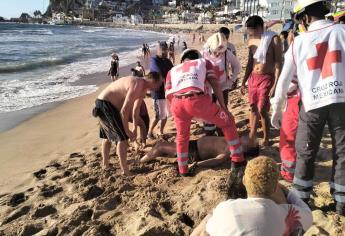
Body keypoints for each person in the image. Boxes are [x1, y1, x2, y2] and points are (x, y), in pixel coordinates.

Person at [270, 0, 345, 216]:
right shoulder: (342, 31)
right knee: (342, 151)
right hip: (342, 101)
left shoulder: (300, 42)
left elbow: (284, 81)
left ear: (304, 17)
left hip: (312, 104)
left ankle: (302, 199)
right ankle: (341, 204)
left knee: (305, 151)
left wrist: (277, 108)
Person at [166, 49, 245, 177]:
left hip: (176, 104)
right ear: (197, 56)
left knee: (182, 137)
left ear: (182, 60)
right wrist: (223, 107)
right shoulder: (203, 62)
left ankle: (183, 170)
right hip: (197, 100)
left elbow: (168, 95)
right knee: (228, 122)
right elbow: (216, 84)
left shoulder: (172, 71)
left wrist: (180, 112)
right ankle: (238, 160)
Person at [191, 156, 313, 236]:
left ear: (244, 181)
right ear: (275, 188)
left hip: (223, 218)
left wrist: (211, 215)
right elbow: (307, 212)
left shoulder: (226, 208)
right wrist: (285, 189)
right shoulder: (286, 212)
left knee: (207, 223)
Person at [92, 72, 162, 175]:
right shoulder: (138, 84)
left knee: (107, 137)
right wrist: (127, 131)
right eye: (159, 84)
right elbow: (124, 111)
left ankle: (106, 165)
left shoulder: (142, 88)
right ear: (153, 81)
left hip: (104, 103)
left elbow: (135, 111)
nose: (160, 86)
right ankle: (125, 171)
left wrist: (133, 128)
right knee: (123, 139)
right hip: (106, 104)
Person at [240, 15, 283, 147]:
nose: (250, 34)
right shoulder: (251, 40)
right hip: (253, 77)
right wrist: (243, 81)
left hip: (267, 77)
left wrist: (275, 85)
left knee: (262, 109)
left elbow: (278, 63)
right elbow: (249, 62)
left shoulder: (274, 39)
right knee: (253, 108)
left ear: (259, 27)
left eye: (252, 31)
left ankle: (266, 138)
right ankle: (252, 135)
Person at [202, 33, 241, 136]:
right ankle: (209, 133)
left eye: (220, 50)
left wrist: (232, 80)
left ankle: (222, 131)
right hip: (207, 89)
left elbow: (237, 66)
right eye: (216, 51)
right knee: (208, 112)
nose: (218, 53)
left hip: (223, 87)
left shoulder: (227, 53)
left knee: (222, 110)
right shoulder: (203, 54)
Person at [148, 41, 174, 139]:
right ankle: (149, 132)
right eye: (162, 49)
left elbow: (174, 72)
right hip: (158, 92)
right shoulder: (154, 60)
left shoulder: (167, 61)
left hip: (167, 92)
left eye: (166, 49)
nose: (164, 52)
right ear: (157, 50)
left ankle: (160, 131)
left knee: (166, 115)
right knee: (158, 115)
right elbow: (159, 75)